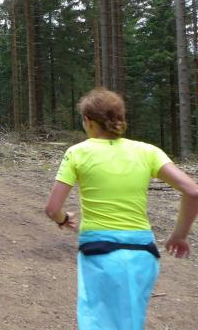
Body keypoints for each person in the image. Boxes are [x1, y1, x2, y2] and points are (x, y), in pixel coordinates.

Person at [45, 88, 198, 330]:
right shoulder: (148, 151)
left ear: (88, 121)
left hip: (99, 252)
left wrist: (64, 219)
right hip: (143, 254)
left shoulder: (77, 153)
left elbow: (53, 208)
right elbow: (192, 191)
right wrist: (179, 235)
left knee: (97, 322)